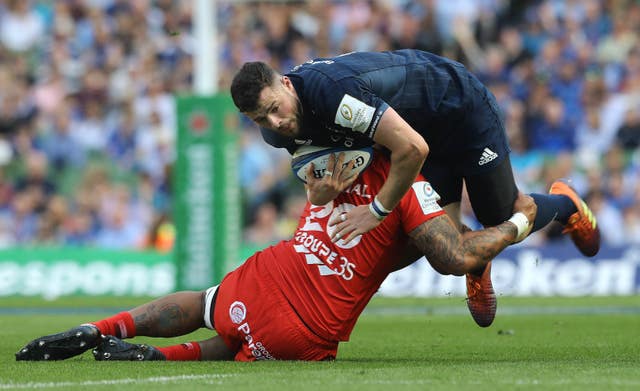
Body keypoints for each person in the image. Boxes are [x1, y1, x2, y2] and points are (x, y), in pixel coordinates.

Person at [16, 149, 536, 362]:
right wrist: (517, 224)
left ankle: (107, 329)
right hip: (309, 323)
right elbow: (452, 255)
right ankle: (158, 359)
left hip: (267, 273)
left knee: (208, 306)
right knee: (243, 340)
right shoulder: (411, 188)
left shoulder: (330, 158)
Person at [229, 50, 601, 274]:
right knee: (444, 243)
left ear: (287, 85)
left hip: (459, 108)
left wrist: (374, 211)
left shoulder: (332, 95)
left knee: (499, 216)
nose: (274, 123)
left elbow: (413, 149)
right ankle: (478, 267)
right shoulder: (277, 133)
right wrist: (318, 194)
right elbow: (317, 176)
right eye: (261, 118)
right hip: (416, 132)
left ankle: (566, 203)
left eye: (274, 109)